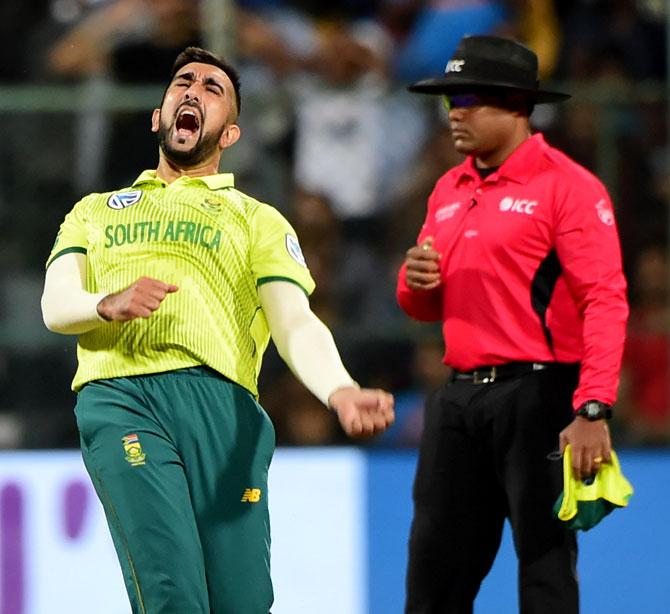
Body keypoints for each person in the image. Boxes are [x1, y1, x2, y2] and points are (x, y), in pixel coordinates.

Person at [41, 46, 394, 614]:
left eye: (212, 89)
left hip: (225, 412)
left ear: (230, 133)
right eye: (182, 82)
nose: (192, 91)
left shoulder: (256, 219)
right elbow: (56, 305)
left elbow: (294, 321)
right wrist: (106, 303)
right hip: (124, 397)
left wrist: (339, 388)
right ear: (158, 116)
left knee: (243, 603)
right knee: (172, 594)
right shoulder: (95, 211)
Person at [396, 35, 628, 613]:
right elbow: (426, 306)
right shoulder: (448, 190)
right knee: (432, 581)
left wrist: (592, 407)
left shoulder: (568, 186)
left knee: (545, 568)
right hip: (458, 400)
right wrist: (415, 282)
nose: (456, 112)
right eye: (450, 100)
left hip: (540, 396)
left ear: (519, 105)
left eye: (470, 97)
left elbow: (605, 298)